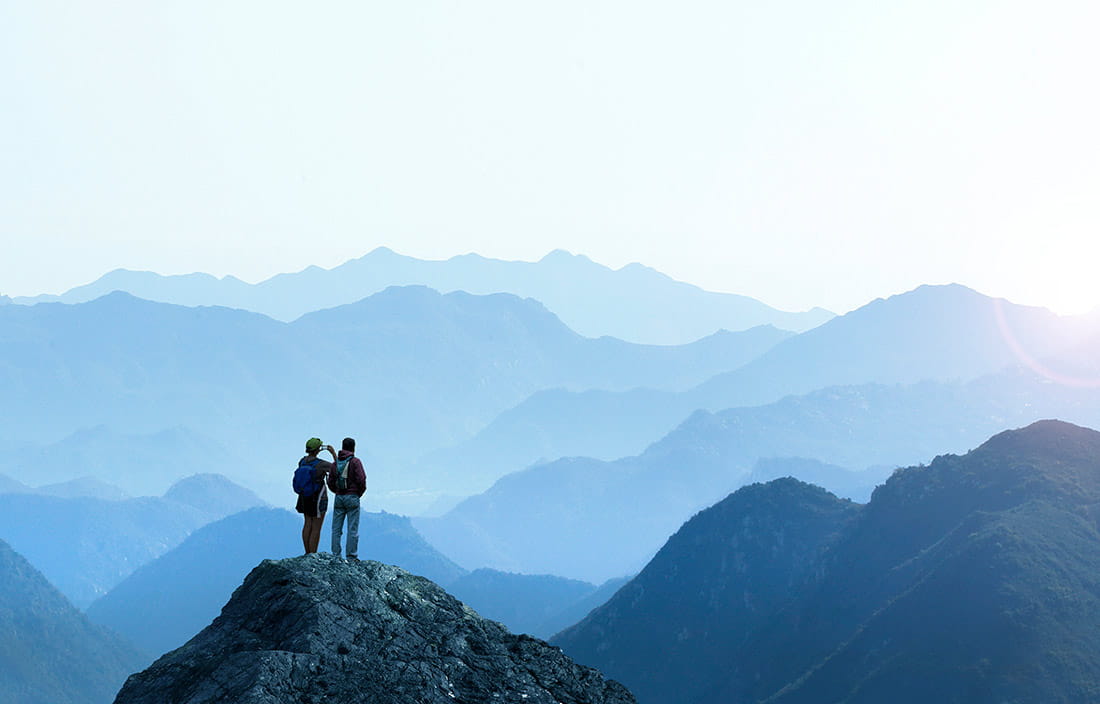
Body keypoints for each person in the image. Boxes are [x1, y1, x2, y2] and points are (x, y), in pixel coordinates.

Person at [328, 437, 367, 560]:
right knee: (352, 529)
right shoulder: (356, 462)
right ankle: (351, 556)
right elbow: (362, 479)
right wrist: (358, 493)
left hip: (339, 497)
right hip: (352, 497)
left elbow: (330, 482)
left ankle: (336, 555)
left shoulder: (336, 463)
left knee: (336, 529)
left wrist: (337, 491)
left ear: (342, 447)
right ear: (353, 447)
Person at [296, 437, 336, 554]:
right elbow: (337, 469)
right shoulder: (321, 464)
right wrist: (333, 453)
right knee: (317, 527)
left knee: (307, 523)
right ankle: (313, 554)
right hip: (318, 497)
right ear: (318, 449)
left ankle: (307, 552)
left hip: (304, 497)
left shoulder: (302, 461)